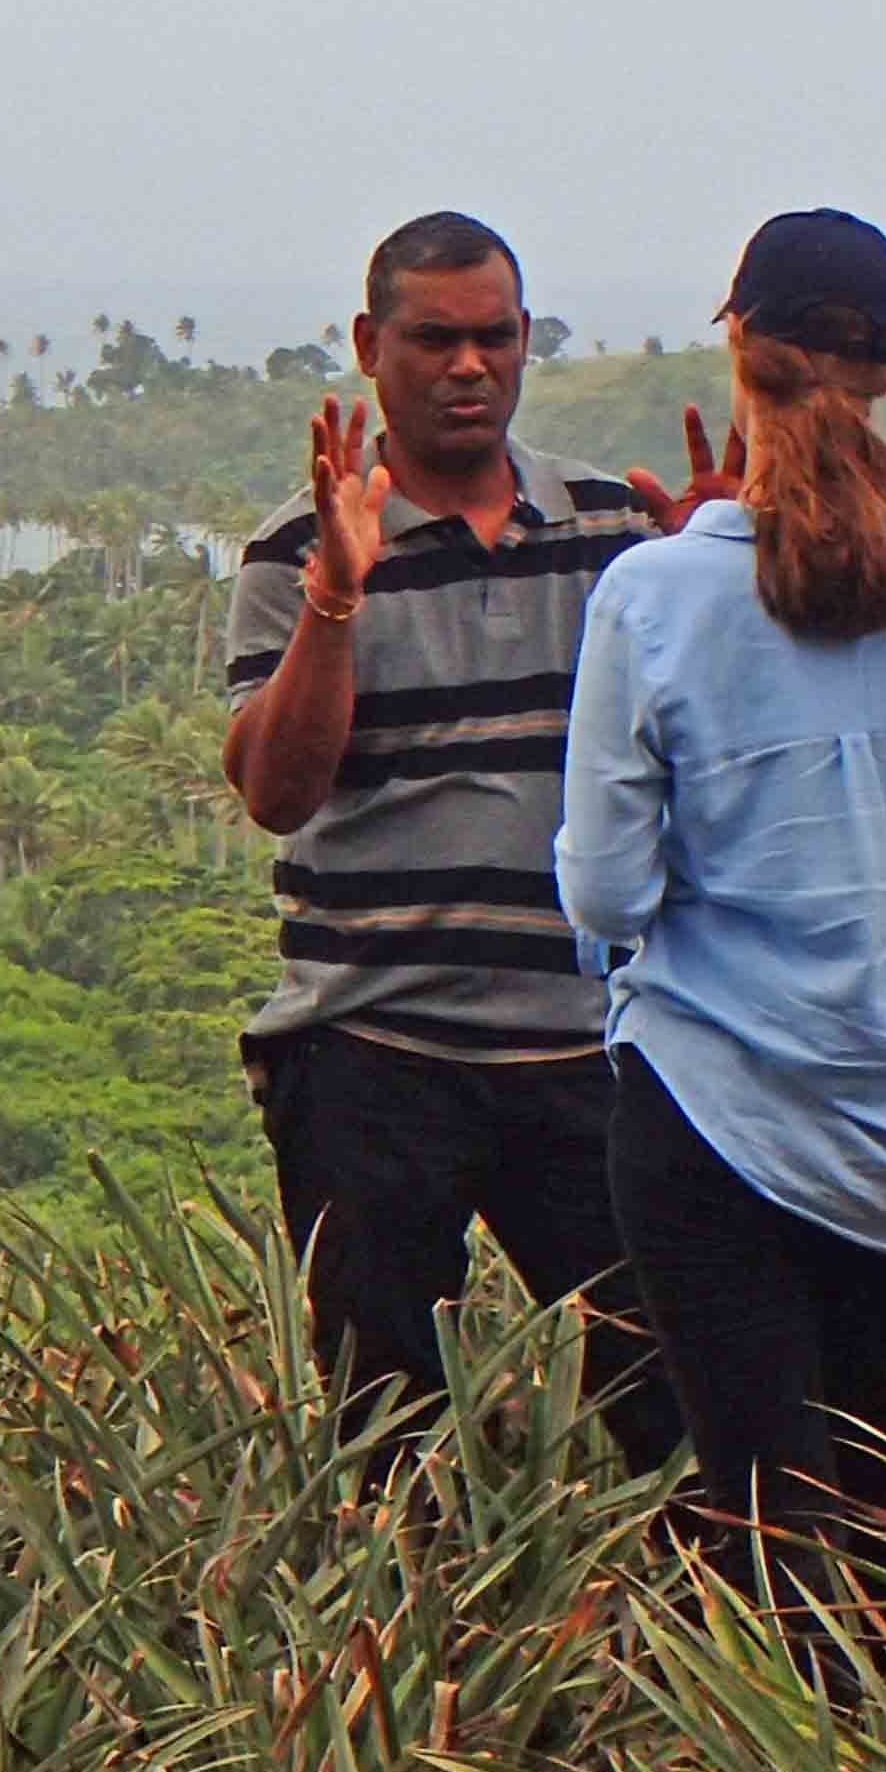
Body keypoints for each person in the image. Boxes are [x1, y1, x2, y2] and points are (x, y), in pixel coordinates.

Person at [555, 209, 886, 1671]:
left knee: (760, 1526)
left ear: (735, 344)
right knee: (885, 1540)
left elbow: (602, 897)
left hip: (709, 1124)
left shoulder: (653, 595)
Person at [223, 209, 725, 1472]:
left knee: (676, 1398)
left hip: (591, 1049)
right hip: (371, 1055)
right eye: (432, 338)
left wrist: (725, 581)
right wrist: (337, 596)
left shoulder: (618, 530)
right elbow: (277, 789)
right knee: (382, 1432)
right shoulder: (295, 549)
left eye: (493, 337)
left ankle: (690, 1655)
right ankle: (401, 1658)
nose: (467, 366)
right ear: (366, 345)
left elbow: (719, 754)